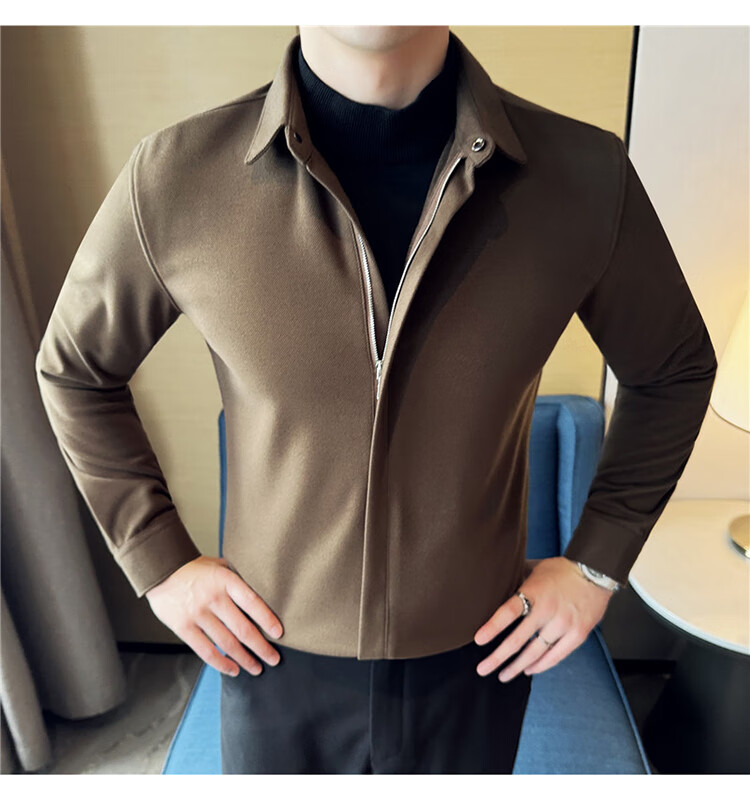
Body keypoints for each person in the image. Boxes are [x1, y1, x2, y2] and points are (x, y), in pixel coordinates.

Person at [35, 26, 717, 774]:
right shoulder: (179, 176)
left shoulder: (582, 175)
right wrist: (158, 559)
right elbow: (75, 370)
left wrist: (596, 565)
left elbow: (675, 369)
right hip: (269, 658)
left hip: (478, 661)